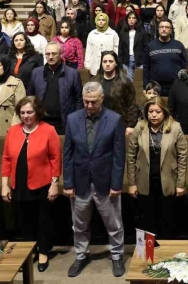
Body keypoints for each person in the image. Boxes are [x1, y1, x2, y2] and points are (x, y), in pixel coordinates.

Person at [63, 82, 126, 278]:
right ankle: (81, 255)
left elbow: (118, 155)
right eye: (86, 102)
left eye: (93, 102)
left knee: (114, 224)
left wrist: (116, 184)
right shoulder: (73, 119)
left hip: (106, 183)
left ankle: (117, 256)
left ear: (102, 99)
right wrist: (68, 183)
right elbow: (68, 154)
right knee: (79, 224)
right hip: (80, 182)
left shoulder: (114, 119)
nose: (89, 106)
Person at [1, 96, 61, 272]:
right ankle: (30, 251)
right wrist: (5, 184)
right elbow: (6, 159)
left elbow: (55, 159)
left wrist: (54, 183)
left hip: (42, 184)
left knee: (42, 220)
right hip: (18, 184)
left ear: (37, 112)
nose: (25, 116)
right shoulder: (12, 131)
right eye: (22, 113)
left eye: (29, 112)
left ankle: (43, 252)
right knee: (24, 220)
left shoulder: (48, 130)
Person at [127, 97, 188, 239]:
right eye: (150, 112)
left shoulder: (175, 127)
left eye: (158, 112)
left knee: (167, 220)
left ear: (164, 112)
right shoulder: (140, 127)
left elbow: (183, 157)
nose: (154, 115)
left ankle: (165, 255)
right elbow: (131, 156)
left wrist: (180, 183)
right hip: (145, 180)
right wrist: (132, 183)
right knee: (147, 220)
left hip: (168, 180)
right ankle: (148, 255)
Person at [27, 42, 83, 134]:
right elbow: (30, 97)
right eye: (48, 54)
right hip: (41, 121)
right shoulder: (36, 73)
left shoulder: (72, 74)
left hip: (63, 122)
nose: (51, 57)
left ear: (61, 55)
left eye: (54, 53)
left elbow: (79, 100)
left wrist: (75, 120)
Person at [92, 51, 139, 136]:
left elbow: (132, 105)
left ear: (116, 63)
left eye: (111, 61)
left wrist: (130, 125)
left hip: (120, 125)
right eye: (105, 61)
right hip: (98, 124)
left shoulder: (125, 82)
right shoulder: (95, 81)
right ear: (101, 64)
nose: (107, 64)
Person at [143, 19, 188, 95]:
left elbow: (185, 66)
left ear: (171, 30)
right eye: (161, 27)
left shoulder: (178, 45)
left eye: (167, 27)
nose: (164, 29)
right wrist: (145, 87)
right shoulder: (150, 46)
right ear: (158, 30)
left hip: (175, 86)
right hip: (155, 87)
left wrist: (184, 84)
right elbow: (146, 68)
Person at [118, 11, 148, 80]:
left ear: (137, 20)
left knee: (140, 80)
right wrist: (120, 62)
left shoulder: (142, 32)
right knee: (128, 81)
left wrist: (144, 59)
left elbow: (145, 47)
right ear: (127, 19)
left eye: (133, 18)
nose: (131, 20)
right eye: (129, 18)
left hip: (139, 60)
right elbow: (120, 49)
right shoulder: (123, 32)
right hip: (126, 60)